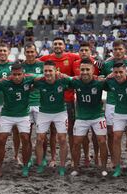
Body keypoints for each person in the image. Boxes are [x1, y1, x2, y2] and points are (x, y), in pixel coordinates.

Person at [0, 63, 39, 178]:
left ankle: (25, 166)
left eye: (19, 74)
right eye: (14, 74)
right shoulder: (4, 82)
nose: (17, 77)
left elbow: (42, 76)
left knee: (26, 139)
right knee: (1, 140)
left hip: (23, 115)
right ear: (10, 74)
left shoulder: (28, 79)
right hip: (7, 115)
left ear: (23, 74)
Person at [39, 37, 80, 167]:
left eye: (60, 44)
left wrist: (98, 62)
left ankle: (73, 159)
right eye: (55, 43)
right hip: (52, 102)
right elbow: (31, 62)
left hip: (68, 100)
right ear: (52, 46)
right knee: (52, 132)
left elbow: (88, 59)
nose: (57, 46)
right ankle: (53, 158)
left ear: (64, 46)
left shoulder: (72, 57)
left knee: (70, 131)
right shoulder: (46, 59)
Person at [100, 40, 127, 169]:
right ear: (112, 50)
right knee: (112, 134)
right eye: (115, 49)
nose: (117, 51)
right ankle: (114, 160)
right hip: (112, 103)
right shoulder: (106, 64)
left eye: (120, 49)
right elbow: (104, 84)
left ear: (125, 50)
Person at [68, 58, 108, 176]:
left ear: (93, 70)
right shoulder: (75, 81)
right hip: (81, 117)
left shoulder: (100, 81)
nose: (84, 72)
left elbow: (112, 82)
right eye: (82, 69)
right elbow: (64, 80)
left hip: (98, 116)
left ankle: (104, 168)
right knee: (76, 142)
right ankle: (75, 168)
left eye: (87, 69)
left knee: (102, 141)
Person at [33, 61, 70, 176]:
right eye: (45, 71)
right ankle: (40, 165)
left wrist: (66, 76)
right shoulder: (39, 81)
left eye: (50, 70)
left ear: (55, 71)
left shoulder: (62, 80)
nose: (48, 73)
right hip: (44, 112)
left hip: (60, 112)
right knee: (39, 139)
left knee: (62, 139)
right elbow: (26, 78)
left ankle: (62, 166)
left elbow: (75, 80)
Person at [21, 43, 48, 166]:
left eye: (32, 52)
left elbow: (47, 77)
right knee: (27, 134)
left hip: (40, 102)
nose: (30, 54)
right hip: (25, 103)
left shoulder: (42, 65)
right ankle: (30, 157)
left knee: (42, 134)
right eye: (28, 52)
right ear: (24, 53)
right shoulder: (20, 66)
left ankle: (43, 157)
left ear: (36, 53)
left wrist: (33, 78)